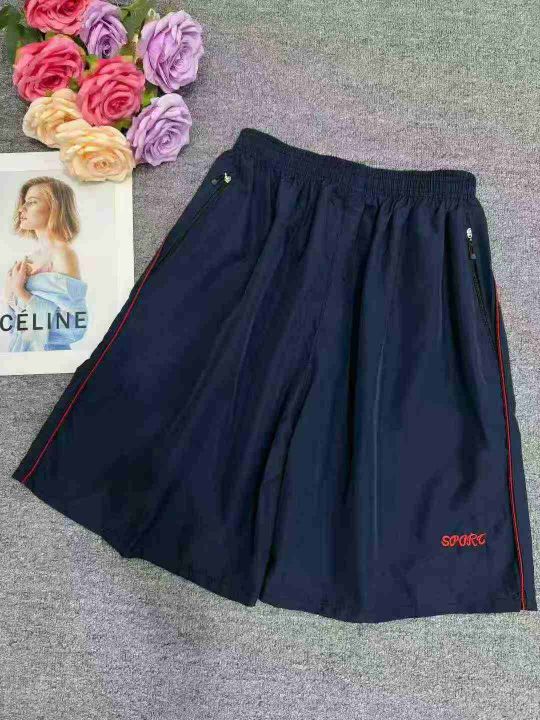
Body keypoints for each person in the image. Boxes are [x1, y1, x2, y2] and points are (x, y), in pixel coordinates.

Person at [2, 177, 89, 352]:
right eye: (24, 202)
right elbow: (12, 327)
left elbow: (75, 327)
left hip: (48, 354)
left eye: (32, 202)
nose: (21, 209)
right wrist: (9, 293)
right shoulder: (29, 258)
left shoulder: (63, 254)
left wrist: (20, 291)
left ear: (55, 208)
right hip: (19, 353)